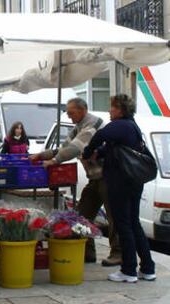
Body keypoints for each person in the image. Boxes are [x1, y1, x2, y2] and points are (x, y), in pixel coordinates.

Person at [29, 97, 121, 265]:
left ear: (82, 110)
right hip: (94, 178)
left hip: (108, 176)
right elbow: (64, 148)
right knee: (82, 214)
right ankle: (87, 252)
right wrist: (41, 155)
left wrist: (53, 161)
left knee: (113, 215)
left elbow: (75, 149)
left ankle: (118, 253)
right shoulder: (78, 126)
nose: (69, 117)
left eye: (72, 113)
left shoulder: (92, 124)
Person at [82, 94, 155, 282]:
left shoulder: (121, 125)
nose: (109, 110)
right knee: (133, 223)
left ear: (121, 110)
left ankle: (129, 270)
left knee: (123, 225)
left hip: (121, 182)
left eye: (112, 107)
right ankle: (147, 268)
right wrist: (100, 152)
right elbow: (116, 147)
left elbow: (100, 135)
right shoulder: (131, 126)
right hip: (133, 182)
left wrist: (89, 152)